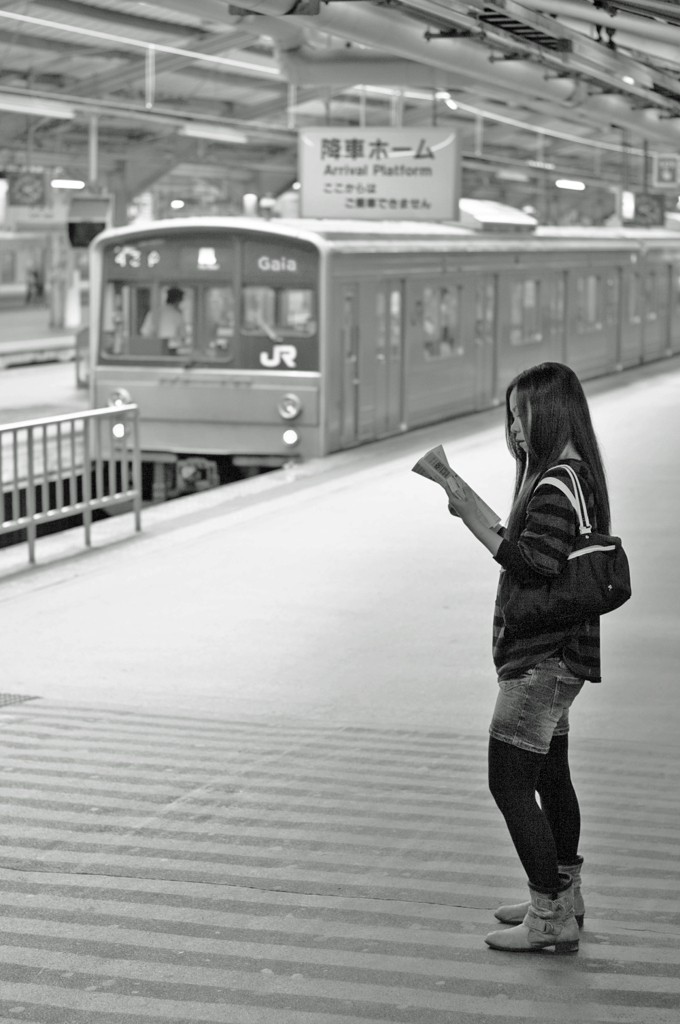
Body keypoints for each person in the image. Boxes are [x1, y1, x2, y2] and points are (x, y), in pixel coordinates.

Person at [446, 362, 610, 954]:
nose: (515, 431)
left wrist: (474, 519)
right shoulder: (580, 475)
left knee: (510, 784)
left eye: (522, 416)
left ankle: (548, 915)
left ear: (552, 411)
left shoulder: (552, 484)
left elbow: (535, 565)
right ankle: (564, 893)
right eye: (510, 419)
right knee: (549, 775)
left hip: (541, 661)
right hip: (564, 657)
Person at [141, 287, 187, 354]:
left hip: (153, 349)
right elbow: (183, 335)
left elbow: (145, 332)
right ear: (178, 300)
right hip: (171, 350)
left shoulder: (153, 312)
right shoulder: (177, 315)